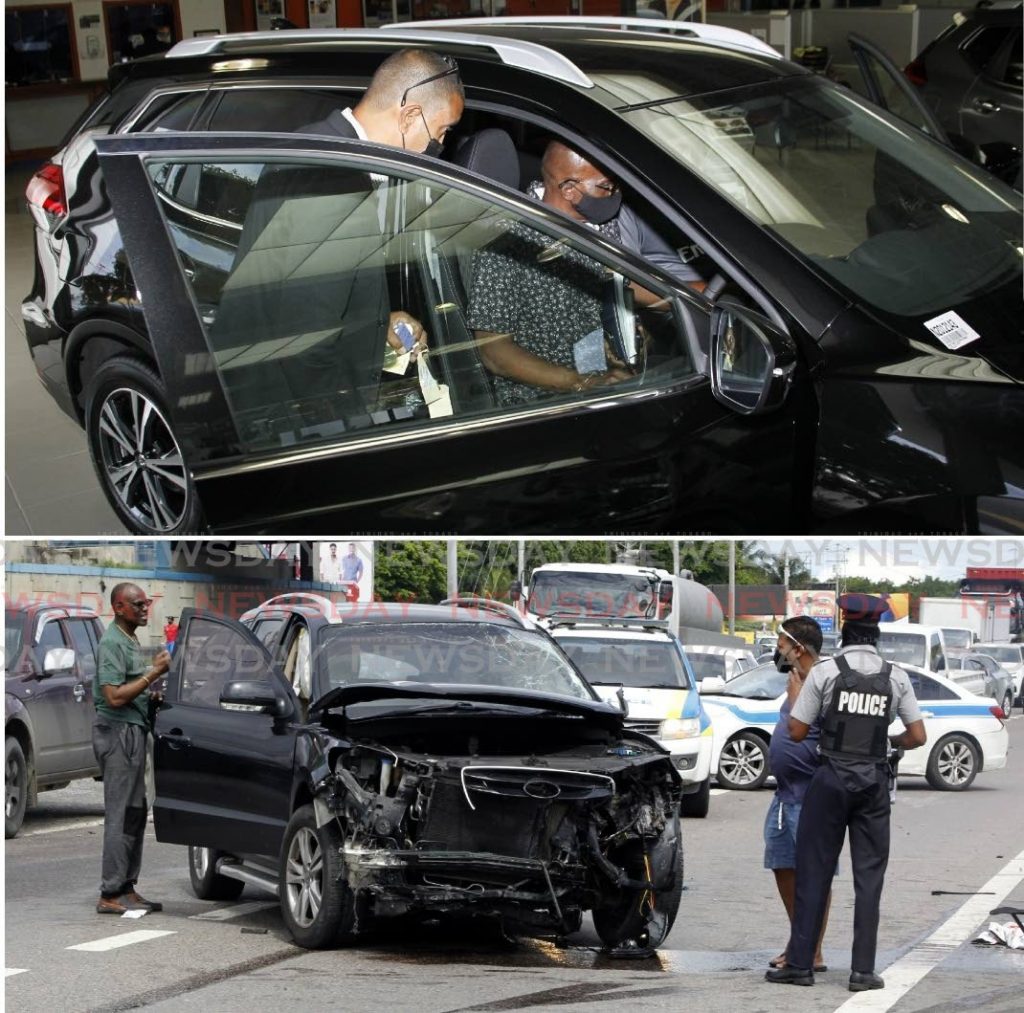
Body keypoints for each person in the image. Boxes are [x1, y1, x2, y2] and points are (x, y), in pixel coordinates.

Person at [218, 49, 465, 431]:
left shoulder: (323, 145)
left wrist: (380, 318)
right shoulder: (334, 186)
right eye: (443, 131)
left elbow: (319, 291)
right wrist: (347, 426)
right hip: (289, 410)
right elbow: (308, 342)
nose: (441, 145)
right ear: (410, 116)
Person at [766, 593, 927, 992]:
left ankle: (801, 966)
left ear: (844, 628)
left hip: (830, 778)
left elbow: (798, 731)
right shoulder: (896, 676)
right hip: (872, 782)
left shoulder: (825, 673)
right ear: (876, 634)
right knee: (869, 878)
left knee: (814, 871)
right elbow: (918, 736)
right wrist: (889, 741)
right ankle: (862, 972)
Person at [92, 583, 171, 915]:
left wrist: (148, 695)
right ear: (119, 608)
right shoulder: (111, 642)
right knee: (119, 814)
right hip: (117, 732)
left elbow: (130, 688)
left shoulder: (130, 639)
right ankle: (109, 892)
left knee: (136, 811)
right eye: (137, 604)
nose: (144, 608)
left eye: (146, 603)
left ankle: (127, 886)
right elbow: (112, 696)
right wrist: (153, 674)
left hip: (135, 730)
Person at [763, 615, 831, 973]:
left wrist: (796, 700)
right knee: (783, 865)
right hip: (784, 794)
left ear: (798, 648)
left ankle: (812, 951)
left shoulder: (823, 681)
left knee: (813, 873)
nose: (778, 650)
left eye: (781, 644)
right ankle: (798, 941)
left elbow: (808, 728)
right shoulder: (796, 680)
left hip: (809, 795)